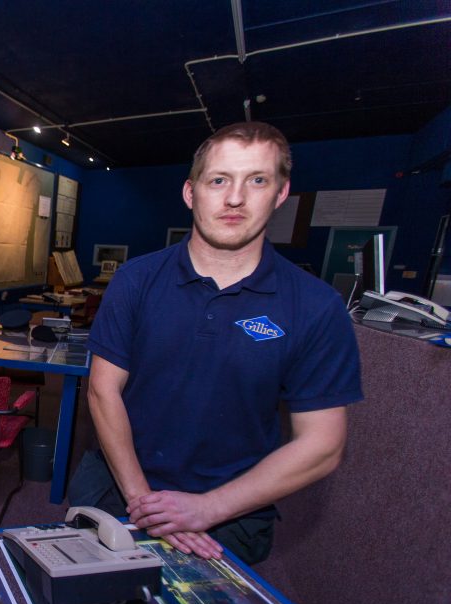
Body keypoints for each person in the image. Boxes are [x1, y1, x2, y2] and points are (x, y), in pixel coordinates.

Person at [71, 121, 362, 565]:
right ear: (192, 193)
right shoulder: (136, 280)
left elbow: (322, 444)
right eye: (219, 180)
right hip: (119, 487)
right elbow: (102, 389)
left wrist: (208, 507)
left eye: (257, 180)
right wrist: (145, 502)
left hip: (229, 510)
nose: (235, 198)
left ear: (281, 194)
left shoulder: (317, 306)